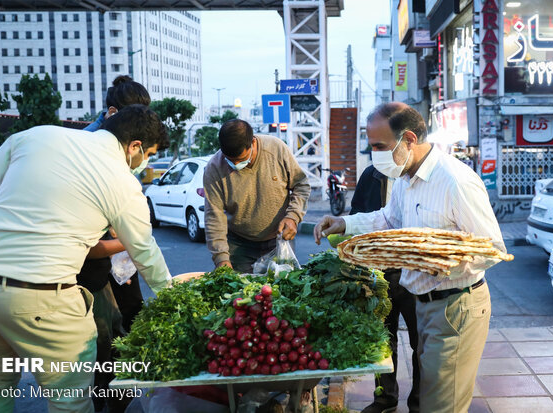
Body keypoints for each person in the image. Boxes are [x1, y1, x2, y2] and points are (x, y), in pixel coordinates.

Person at [0, 104, 171, 413]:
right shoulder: (123, 182)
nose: (146, 162)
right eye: (150, 154)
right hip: (41, 299)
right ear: (135, 146)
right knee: (68, 399)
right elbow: (144, 250)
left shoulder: (33, 136)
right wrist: (173, 295)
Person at [314, 102, 506, 413]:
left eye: (380, 146)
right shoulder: (406, 180)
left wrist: (439, 261)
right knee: (433, 396)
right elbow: (389, 221)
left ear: (409, 140)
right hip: (425, 303)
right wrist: (345, 224)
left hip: (456, 306)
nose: (374, 154)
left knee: (440, 405)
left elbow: (492, 248)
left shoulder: (455, 181)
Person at [80, 75, 152, 413]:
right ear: (112, 113)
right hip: (93, 259)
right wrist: (127, 239)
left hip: (121, 257)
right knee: (102, 336)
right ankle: (106, 399)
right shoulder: (87, 146)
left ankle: (119, 396)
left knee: (132, 320)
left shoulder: (125, 143)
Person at [350, 165, 420, 413]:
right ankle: (385, 397)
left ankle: (418, 402)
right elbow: (357, 213)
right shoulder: (371, 175)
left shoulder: (415, 176)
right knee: (382, 340)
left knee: (419, 342)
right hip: (379, 276)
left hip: (413, 273)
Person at [203, 119, 311, 272]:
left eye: (241, 160)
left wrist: (293, 216)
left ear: (253, 142)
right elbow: (214, 216)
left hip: (279, 238)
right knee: (240, 291)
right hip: (239, 244)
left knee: (281, 290)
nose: (236, 166)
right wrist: (221, 258)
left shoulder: (276, 149)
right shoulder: (214, 168)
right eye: (230, 161)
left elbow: (301, 185)